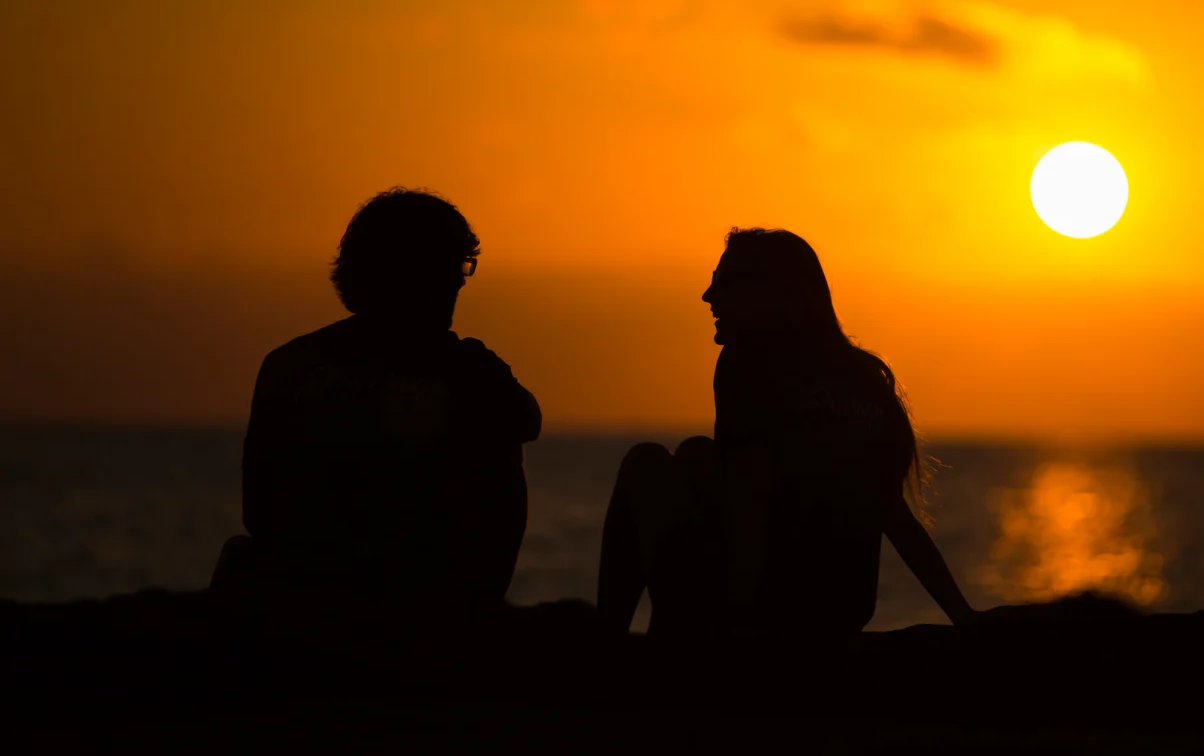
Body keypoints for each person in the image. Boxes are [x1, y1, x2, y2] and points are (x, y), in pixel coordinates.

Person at [597, 227, 974, 635]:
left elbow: (750, 496)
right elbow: (892, 513)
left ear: (768, 292)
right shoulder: (864, 378)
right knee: (694, 454)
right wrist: (963, 616)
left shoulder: (748, 364)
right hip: (842, 608)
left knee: (645, 462)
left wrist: (741, 625)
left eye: (722, 283)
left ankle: (608, 643)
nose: (708, 297)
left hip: (768, 608)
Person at [212, 188, 541, 613]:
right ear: (406, 272)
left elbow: (258, 511)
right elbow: (527, 421)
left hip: (310, 587)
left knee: (238, 556)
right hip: (424, 592)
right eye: (449, 265)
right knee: (500, 436)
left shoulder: (288, 364)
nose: (459, 280)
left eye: (462, 265)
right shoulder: (468, 370)